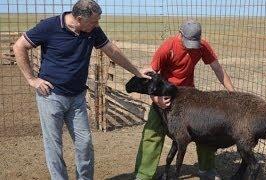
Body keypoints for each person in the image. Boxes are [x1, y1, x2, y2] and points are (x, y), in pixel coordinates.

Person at [13, 0, 151, 179]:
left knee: (84, 143)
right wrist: (32, 79)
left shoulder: (92, 30)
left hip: (77, 97)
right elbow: (19, 46)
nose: (97, 25)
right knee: (54, 146)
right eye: (94, 21)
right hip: (50, 96)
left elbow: (112, 51)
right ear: (79, 19)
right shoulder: (49, 26)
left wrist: (137, 71)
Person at [134, 20, 235, 180]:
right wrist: (155, 99)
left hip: (190, 96)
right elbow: (151, 76)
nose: (191, 46)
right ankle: (144, 174)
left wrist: (232, 93)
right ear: (180, 34)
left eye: (194, 42)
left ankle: (206, 169)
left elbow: (217, 68)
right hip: (166, 94)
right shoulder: (168, 47)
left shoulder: (202, 45)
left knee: (206, 128)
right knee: (152, 132)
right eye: (188, 42)